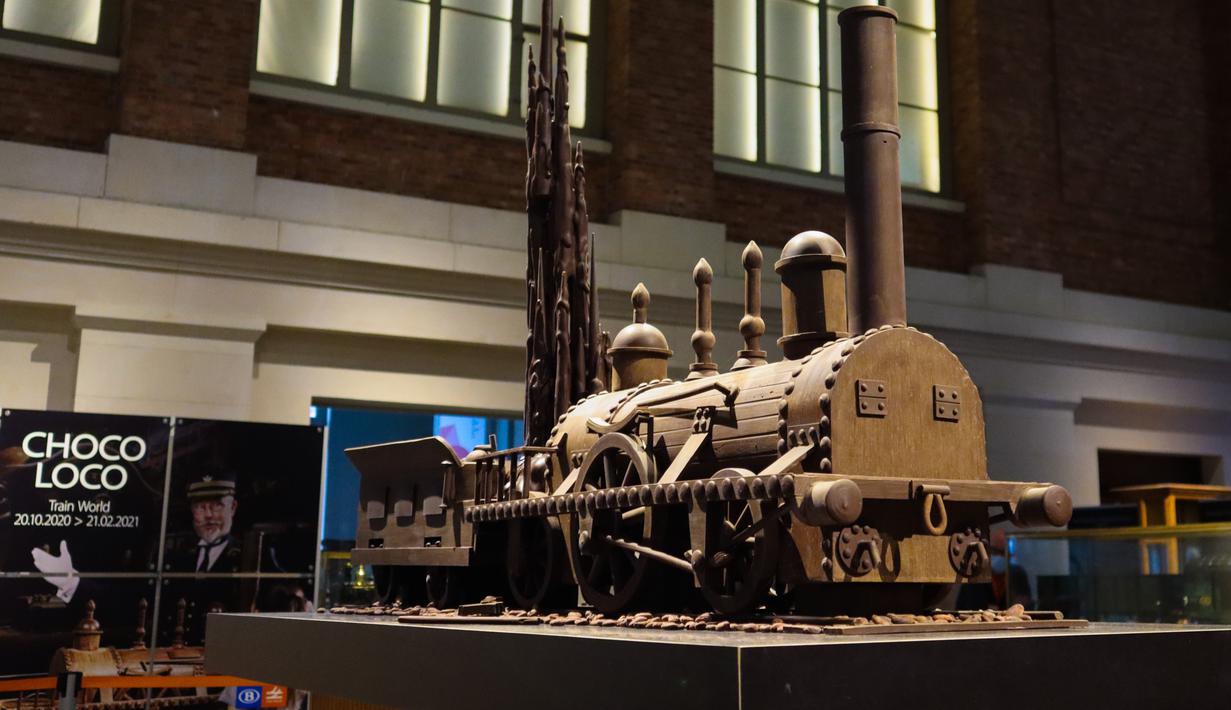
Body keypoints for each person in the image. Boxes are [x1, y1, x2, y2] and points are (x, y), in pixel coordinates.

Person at [168, 470, 243, 573]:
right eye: (200, 507)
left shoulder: (246, 557)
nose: (208, 515)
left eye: (217, 505)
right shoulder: (177, 554)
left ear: (233, 508)